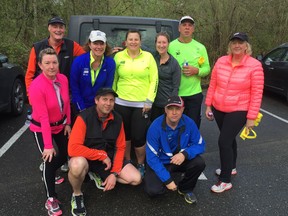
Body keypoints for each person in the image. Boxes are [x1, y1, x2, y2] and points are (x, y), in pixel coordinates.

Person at [205, 32, 264, 193]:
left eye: (240, 42)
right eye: (234, 42)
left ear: (246, 46)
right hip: (219, 108)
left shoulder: (254, 65)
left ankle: (225, 180)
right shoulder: (221, 61)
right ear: (230, 45)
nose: (237, 45)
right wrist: (208, 105)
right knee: (229, 140)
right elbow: (213, 84)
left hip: (239, 109)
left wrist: (251, 117)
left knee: (223, 141)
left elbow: (257, 93)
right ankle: (231, 167)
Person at [68, 88, 141, 216]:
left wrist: (114, 173)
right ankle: (77, 194)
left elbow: (120, 147)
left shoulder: (118, 119)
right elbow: (72, 148)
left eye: (111, 100)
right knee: (76, 166)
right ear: (96, 100)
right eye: (105, 99)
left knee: (136, 179)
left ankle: (102, 175)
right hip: (87, 159)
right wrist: (100, 155)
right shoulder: (83, 117)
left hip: (109, 159)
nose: (108, 103)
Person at [29, 48, 71, 216]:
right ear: (40, 65)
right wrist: (48, 145)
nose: (52, 66)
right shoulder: (36, 86)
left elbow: (67, 102)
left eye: (54, 62)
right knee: (49, 158)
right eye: (47, 63)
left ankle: (49, 171)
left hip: (60, 125)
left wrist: (68, 122)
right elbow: (44, 117)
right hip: (41, 127)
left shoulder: (63, 79)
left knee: (67, 152)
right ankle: (51, 198)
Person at [113, 29, 158, 177]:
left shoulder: (148, 57)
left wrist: (149, 101)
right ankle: (127, 162)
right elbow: (114, 79)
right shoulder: (118, 56)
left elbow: (154, 80)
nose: (133, 42)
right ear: (126, 42)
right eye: (130, 39)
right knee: (124, 136)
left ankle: (140, 163)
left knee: (139, 136)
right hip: (121, 102)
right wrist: (112, 99)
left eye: (136, 39)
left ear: (140, 41)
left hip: (141, 104)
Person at [144, 95, 206, 204]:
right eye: (170, 108)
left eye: (177, 108)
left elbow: (200, 144)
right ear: (165, 110)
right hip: (161, 161)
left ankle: (185, 189)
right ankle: (165, 177)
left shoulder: (189, 123)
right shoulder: (155, 127)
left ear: (182, 109)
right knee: (153, 191)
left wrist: (185, 154)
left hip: (179, 159)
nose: (174, 112)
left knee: (199, 162)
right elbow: (151, 157)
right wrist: (167, 180)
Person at [168, 16, 211, 129]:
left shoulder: (200, 47)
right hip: (176, 93)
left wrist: (196, 70)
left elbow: (207, 69)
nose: (187, 28)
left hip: (194, 94)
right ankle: (177, 146)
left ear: (193, 29)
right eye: (184, 25)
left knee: (192, 125)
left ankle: (192, 145)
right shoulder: (171, 46)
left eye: (190, 25)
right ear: (179, 28)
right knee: (175, 125)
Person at [25, 16, 85, 93]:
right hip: (43, 93)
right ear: (49, 28)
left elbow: (87, 59)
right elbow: (30, 74)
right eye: (55, 27)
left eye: (61, 27)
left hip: (65, 93)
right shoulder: (37, 48)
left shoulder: (72, 45)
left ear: (64, 29)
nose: (58, 30)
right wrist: (30, 95)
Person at [70, 30, 116, 113]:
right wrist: (82, 108)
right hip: (80, 106)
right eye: (95, 43)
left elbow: (107, 88)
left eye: (101, 43)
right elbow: (74, 87)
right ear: (90, 44)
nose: (99, 47)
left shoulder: (110, 63)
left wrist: (100, 108)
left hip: (99, 108)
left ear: (105, 45)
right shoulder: (79, 61)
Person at [150, 32, 181, 121]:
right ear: (155, 44)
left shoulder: (174, 64)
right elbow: (138, 47)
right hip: (151, 103)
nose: (161, 45)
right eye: (159, 42)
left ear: (168, 44)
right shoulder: (151, 57)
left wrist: (171, 106)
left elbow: (176, 87)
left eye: (164, 42)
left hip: (165, 105)